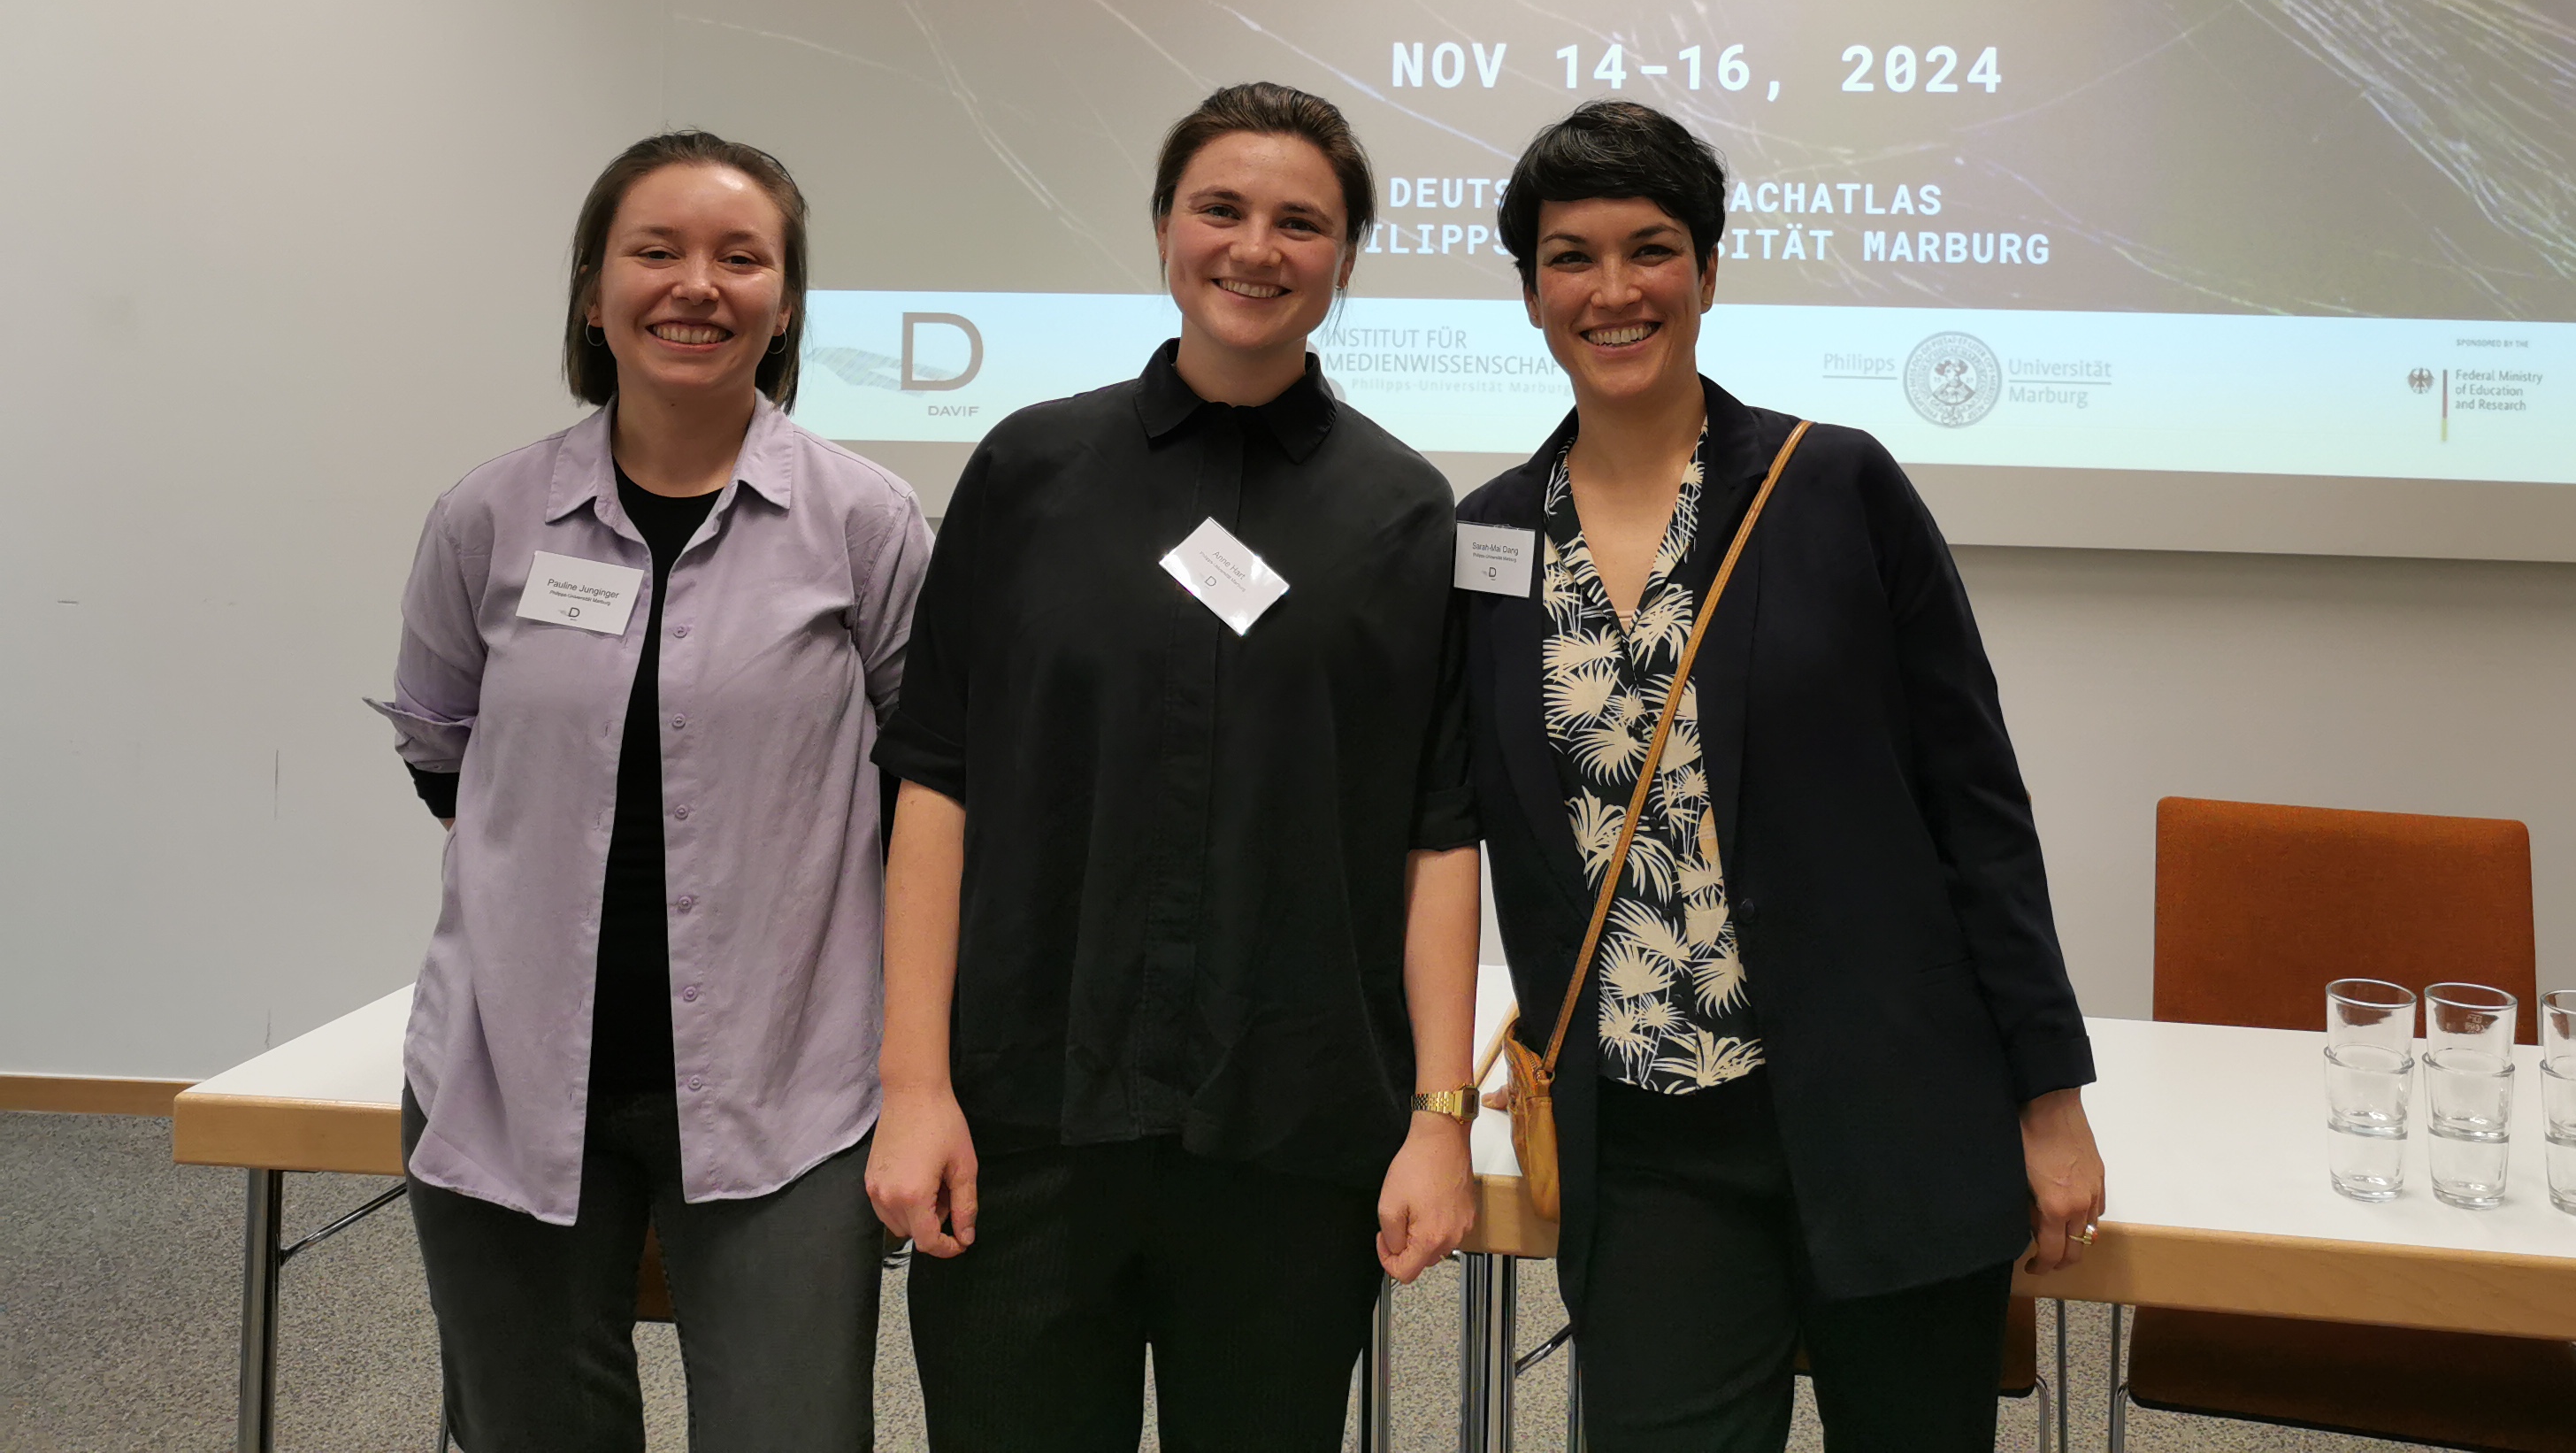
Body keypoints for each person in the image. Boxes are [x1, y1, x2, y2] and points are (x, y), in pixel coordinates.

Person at [1457, 101, 2104, 1453]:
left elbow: (1976, 808)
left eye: (1654, 249)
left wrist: (2049, 1105)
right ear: (1530, 292)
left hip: (1888, 1104)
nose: (1616, 290)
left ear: (1707, 270)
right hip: (1645, 1148)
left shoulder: (1834, 487)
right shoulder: (1486, 542)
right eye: (1573, 257)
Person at [869, 81, 1479, 1453]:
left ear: (1343, 259)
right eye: (1222, 209)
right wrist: (914, 1088)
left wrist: (1439, 1118)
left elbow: (1437, 836)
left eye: (1300, 223)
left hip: (1291, 1134)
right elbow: (935, 785)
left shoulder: (1403, 513)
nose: (1255, 248)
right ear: (1162, 228)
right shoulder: (1028, 470)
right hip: (1027, 1124)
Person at [368, 132, 930, 1453]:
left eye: (743, 258)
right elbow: (444, 753)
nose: (698, 284)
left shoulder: (866, 522)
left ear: (786, 304)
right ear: (590, 290)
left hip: (791, 1086)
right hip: (510, 1067)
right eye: (656, 251)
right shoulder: (488, 520)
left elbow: (927, 783)